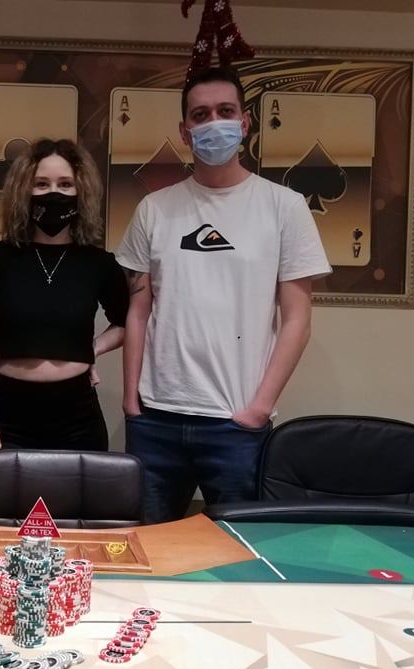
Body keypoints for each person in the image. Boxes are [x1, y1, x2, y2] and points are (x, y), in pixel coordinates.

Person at [116, 66, 331, 524]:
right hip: (156, 420)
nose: (214, 123)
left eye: (225, 111)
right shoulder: (154, 209)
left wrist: (258, 409)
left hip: (236, 426)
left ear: (245, 122)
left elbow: (297, 320)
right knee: (145, 550)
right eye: (201, 114)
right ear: (184, 131)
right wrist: (132, 403)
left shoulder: (284, 207)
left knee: (239, 552)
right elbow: (138, 310)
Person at [0, 138, 129, 450]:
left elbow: (127, 321)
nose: (53, 193)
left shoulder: (98, 263)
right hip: (8, 415)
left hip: (78, 418)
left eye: (65, 184)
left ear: (81, 192)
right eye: (41, 184)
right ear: (24, 190)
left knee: (83, 487)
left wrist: (93, 348)